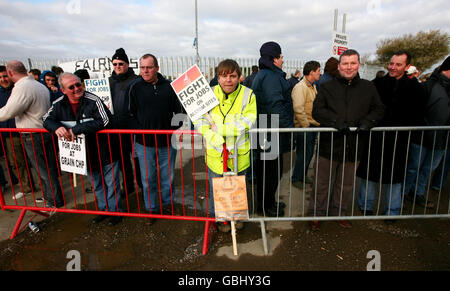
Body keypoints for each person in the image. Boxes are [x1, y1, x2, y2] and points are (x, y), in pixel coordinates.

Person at [311, 49, 384, 230]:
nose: (349, 67)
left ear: (358, 64)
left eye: (353, 63)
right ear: (339, 66)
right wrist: (336, 122)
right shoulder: (327, 87)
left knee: (345, 185)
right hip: (329, 145)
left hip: (354, 146)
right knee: (321, 183)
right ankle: (316, 215)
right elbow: (317, 111)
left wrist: (368, 122)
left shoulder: (368, 87)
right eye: (345, 63)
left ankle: (339, 213)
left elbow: (379, 109)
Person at [43, 73, 123, 225]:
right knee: (96, 184)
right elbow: (46, 119)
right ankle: (103, 210)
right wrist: (57, 127)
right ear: (63, 90)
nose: (76, 88)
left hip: (105, 151)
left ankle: (116, 212)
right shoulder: (58, 104)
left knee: (112, 184)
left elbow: (105, 120)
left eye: (78, 84)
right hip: (84, 155)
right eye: (71, 87)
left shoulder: (93, 100)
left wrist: (77, 129)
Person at [356, 50, 427, 219]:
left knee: (396, 178)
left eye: (398, 64)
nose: (393, 67)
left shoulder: (416, 88)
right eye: (391, 63)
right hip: (376, 139)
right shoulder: (377, 84)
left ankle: (392, 211)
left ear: (407, 66)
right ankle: (365, 206)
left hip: (400, 141)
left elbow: (418, 115)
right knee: (369, 174)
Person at [193, 59, 256, 232]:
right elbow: (199, 119)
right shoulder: (209, 94)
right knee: (217, 189)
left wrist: (220, 128)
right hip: (216, 154)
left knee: (237, 188)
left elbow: (247, 122)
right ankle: (220, 219)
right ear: (218, 78)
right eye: (224, 76)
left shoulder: (248, 95)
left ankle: (237, 218)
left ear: (239, 77)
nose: (228, 80)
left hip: (238, 155)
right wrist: (212, 135)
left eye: (232, 76)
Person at [0, 60, 64, 208]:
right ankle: (52, 197)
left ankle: (54, 200)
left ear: (10, 73)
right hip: (43, 131)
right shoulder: (37, 85)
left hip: (34, 134)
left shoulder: (23, 87)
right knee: (48, 168)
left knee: (44, 169)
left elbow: (9, 111)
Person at [126, 54, 183, 218]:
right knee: (148, 178)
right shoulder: (134, 87)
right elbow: (130, 114)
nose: (145, 71)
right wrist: (142, 130)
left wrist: (169, 129)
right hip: (144, 144)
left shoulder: (169, 87)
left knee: (168, 177)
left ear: (157, 68)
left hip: (167, 141)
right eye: (142, 67)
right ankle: (151, 208)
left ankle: (167, 204)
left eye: (149, 67)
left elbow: (179, 113)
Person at [251, 41, 294, 217]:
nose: (283, 60)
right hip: (269, 132)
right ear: (274, 58)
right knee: (270, 173)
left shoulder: (266, 74)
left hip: (267, 129)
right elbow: (275, 104)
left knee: (268, 172)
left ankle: (268, 202)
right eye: (281, 56)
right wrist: (290, 128)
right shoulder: (270, 76)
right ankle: (265, 207)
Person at [403, 56, 450, 208]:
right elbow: (416, 111)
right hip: (422, 136)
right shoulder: (429, 86)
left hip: (443, 139)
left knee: (428, 169)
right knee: (413, 167)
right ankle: (402, 194)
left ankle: (418, 193)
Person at [109, 48, 141, 195]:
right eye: (115, 64)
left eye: (121, 63)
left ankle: (142, 185)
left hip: (133, 127)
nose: (118, 66)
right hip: (115, 128)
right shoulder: (109, 82)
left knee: (138, 159)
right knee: (122, 160)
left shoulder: (136, 81)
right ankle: (128, 186)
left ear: (127, 64)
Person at [1, 65, 35, 198]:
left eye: (5, 76)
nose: (3, 79)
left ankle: (47, 191)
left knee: (36, 161)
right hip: (10, 134)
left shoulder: (20, 89)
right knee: (16, 162)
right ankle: (27, 187)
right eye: (0, 77)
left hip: (27, 130)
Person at [291, 61, 321, 188]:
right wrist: (306, 125)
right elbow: (298, 108)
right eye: (319, 70)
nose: (320, 73)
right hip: (305, 127)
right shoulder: (300, 87)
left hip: (311, 126)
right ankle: (296, 178)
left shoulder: (312, 86)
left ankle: (302, 175)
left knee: (309, 153)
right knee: (303, 154)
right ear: (312, 72)